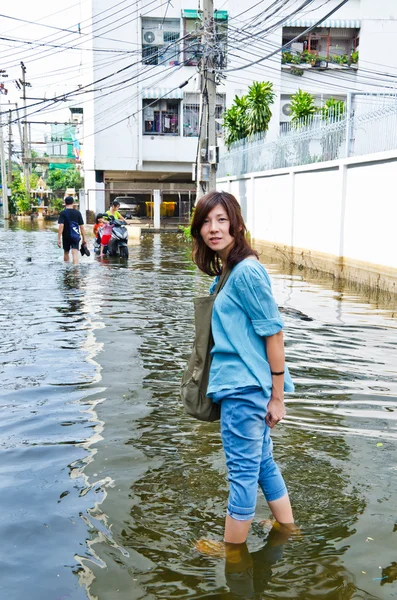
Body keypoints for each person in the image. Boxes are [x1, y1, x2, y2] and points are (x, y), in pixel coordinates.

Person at [190, 190, 295, 548]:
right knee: (262, 464)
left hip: (243, 389)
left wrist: (277, 398)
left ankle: (232, 553)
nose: (213, 228)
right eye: (206, 221)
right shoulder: (230, 271)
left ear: (236, 224)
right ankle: (286, 527)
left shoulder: (247, 272)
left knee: (242, 475)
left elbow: (275, 333)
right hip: (246, 387)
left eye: (221, 220)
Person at [57, 196, 87, 265]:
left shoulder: (62, 213)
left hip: (66, 236)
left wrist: (58, 239)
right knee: (75, 253)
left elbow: (61, 226)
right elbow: (82, 227)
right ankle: (76, 271)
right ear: (73, 203)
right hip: (75, 235)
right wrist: (84, 239)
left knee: (66, 252)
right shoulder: (78, 213)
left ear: (65, 203)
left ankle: (67, 269)